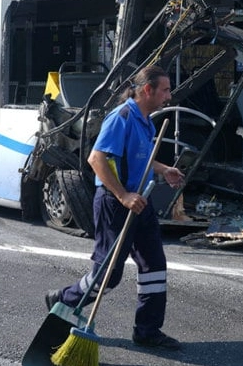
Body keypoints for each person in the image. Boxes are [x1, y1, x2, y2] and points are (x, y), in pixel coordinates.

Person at [46, 65, 186, 350]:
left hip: (139, 201)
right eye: (165, 90)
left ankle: (147, 330)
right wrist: (122, 196)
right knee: (108, 275)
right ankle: (63, 299)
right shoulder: (121, 117)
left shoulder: (146, 121)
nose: (168, 96)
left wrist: (163, 170)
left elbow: (139, 159)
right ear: (148, 90)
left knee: (154, 267)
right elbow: (97, 159)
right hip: (116, 202)